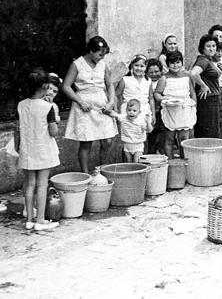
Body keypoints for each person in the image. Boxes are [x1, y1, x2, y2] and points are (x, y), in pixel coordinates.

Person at [62, 36, 118, 174]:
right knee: (86, 142)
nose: (101, 57)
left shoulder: (103, 65)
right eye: (100, 54)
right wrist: (80, 102)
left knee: (108, 140)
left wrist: (111, 102)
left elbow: (109, 84)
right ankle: (86, 174)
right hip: (84, 104)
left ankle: (103, 170)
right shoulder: (77, 64)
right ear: (91, 51)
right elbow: (66, 86)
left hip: (101, 104)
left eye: (104, 55)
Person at [15, 68, 60, 231]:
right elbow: (53, 131)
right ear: (43, 87)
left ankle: (29, 219)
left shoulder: (21, 105)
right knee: (42, 185)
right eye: (48, 87)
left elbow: (18, 129)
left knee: (29, 185)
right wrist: (55, 121)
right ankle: (40, 220)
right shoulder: (48, 107)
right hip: (42, 150)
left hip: (27, 150)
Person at [154, 51, 196, 159]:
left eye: (178, 62)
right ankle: (170, 163)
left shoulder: (187, 76)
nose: (175, 65)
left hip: (184, 110)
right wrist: (163, 98)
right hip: (170, 111)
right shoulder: (164, 78)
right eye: (172, 63)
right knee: (169, 138)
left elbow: (192, 93)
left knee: (184, 139)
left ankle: (184, 162)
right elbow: (157, 93)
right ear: (167, 64)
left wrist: (193, 107)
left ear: (181, 63)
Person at [190, 35, 222, 138]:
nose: (212, 49)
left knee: (212, 130)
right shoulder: (203, 60)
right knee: (209, 131)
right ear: (202, 48)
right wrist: (203, 86)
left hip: (212, 99)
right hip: (207, 100)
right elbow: (193, 73)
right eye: (208, 46)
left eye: (214, 46)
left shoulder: (208, 60)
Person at [116, 54, 154, 121]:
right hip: (128, 111)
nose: (139, 68)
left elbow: (151, 98)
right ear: (132, 66)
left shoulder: (148, 81)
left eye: (142, 66)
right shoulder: (125, 80)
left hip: (144, 111)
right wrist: (118, 111)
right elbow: (117, 95)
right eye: (136, 65)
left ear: (146, 68)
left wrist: (153, 114)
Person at [144, 58, 165, 154]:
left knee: (162, 138)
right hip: (150, 113)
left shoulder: (164, 80)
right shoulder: (145, 82)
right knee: (151, 138)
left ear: (161, 71)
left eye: (156, 71)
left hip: (163, 113)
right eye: (150, 72)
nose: (154, 74)